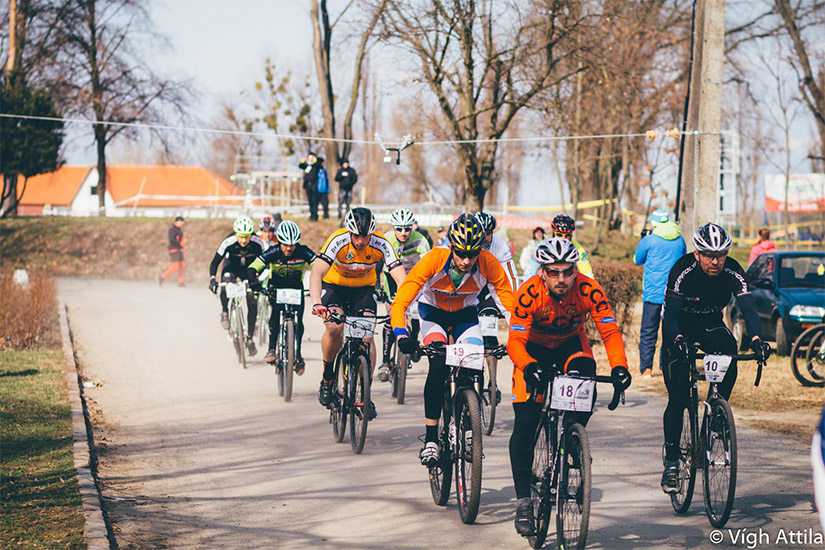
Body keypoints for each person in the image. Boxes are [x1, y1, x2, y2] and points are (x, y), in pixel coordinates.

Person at [507, 237, 631, 536]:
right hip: (533, 352)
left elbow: (610, 331)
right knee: (525, 423)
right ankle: (524, 500)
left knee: (587, 375)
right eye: (554, 272)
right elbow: (514, 341)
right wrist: (528, 365)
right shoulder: (528, 295)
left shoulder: (589, 289)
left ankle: (572, 438)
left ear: (576, 270)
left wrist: (620, 366)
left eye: (567, 271)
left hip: (570, 346)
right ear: (542, 272)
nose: (561, 279)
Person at [390, 214, 515, 466]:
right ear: (451, 247)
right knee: (437, 366)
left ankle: (468, 429)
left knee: (472, 367)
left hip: (465, 314)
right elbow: (402, 300)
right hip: (432, 312)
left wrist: (518, 337)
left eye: (473, 254)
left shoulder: (489, 263)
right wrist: (401, 334)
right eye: (460, 253)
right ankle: (431, 439)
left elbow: (509, 305)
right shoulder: (434, 259)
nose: (467, 260)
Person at [659, 223, 770, 494]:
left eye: (721, 254)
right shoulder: (681, 270)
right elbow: (670, 316)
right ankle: (672, 462)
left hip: (709, 323)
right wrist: (676, 339)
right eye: (709, 255)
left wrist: (757, 338)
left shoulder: (732, 270)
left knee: (729, 350)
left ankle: (716, 410)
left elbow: (749, 308)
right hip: (680, 328)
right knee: (677, 398)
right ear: (697, 254)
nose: (716, 261)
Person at [309, 207, 406, 419]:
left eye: (365, 236)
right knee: (335, 328)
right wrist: (317, 303)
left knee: (367, 337)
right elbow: (317, 272)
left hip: (363, 290)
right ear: (349, 232)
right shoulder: (338, 240)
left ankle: (366, 391)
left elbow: (401, 277)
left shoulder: (381, 243)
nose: (361, 241)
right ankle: (327, 379)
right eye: (356, 236)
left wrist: (402, 304)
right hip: (335, 287)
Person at [247, 220, 315, 372]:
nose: (289, 248)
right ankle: (271, 349)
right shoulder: (273, 251)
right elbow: (252, 268)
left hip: (296, 288)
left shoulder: (303, 251)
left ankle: (298, 355)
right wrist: (255, 283)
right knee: (275, 314)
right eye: (285, 244)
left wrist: (322, 285)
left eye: (292, 245)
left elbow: (319, 267)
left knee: (300, 321)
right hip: (276, 288)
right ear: (279, 242)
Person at [377, 208, 431, 382]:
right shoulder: (387, 239)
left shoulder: (421, 240)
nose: (403, 233)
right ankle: (385, 361)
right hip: (391, 279)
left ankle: (413, 338)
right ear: (393, 228)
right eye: (399, 229)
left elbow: (427, 265)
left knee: (416, 314)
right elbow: (379, 266)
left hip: (414, 280)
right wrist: (378, 287)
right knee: (391, 316)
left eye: (407, 228)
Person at [634, 209, 686, 378]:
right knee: (670, 331)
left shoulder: (649, 240)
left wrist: (643, 239)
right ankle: (666, 368)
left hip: (652, 293)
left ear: (654, 224)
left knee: (648, 332)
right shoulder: (680, 240)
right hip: (673, 294)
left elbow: (637, 260)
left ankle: (646, 369)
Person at [208, 216, 265, 356]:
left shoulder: (258, 243)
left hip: (250, 271)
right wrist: (212, 278)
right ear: (236, 234)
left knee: (252, 301)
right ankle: (225, 312)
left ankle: (250, 338)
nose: (244, 240)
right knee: (225, 284)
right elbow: (215, 262)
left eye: (247, 237)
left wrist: (259, 278)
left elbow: (266, 262)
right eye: (241, 237)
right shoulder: (228, 241)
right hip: (231, 268)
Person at [523, 214, 593, 279]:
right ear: (553, 233)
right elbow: (530, 273)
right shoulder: (542, 247)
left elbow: (587, 273)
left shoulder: (579, 249)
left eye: (567, 235)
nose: (563, 238)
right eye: (559, 235)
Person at [158, 216, 186, 287]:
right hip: (173, 249)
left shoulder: (179, 230)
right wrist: (180, 244)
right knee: (175, 266)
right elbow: (172, 240)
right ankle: (162, 277)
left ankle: (180, 281)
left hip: (179, 249)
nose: (181, 224)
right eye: (180, 222)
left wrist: (183, 245)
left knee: (182, 265)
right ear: (176, 222)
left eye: (182, 222)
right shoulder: (172, 230)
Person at [299, 152, 321, 221]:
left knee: (315, 201)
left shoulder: (315, 166)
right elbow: (300, 165)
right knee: (310, 201)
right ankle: (311, 215)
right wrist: (303, 160)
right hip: (307, 185)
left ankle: (315, 215)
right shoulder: (307, 166)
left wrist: (314, 159)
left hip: (314, 185)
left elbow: (319, 165)